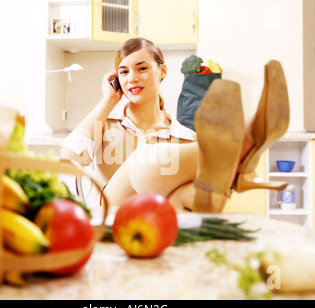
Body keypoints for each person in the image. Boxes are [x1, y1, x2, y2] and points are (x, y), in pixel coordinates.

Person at [61, 37, 290, 213]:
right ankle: (244, 140)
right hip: (111, 217)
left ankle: (237, 162)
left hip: (157, 227)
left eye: (142, 68)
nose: (132, 78)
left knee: (193, 193)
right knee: (143, 160)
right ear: (116, 80)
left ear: (162, 71)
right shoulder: (105, 122)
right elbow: (69, 157)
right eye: (124, 72)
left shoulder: (184, 137)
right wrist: (108, 100)